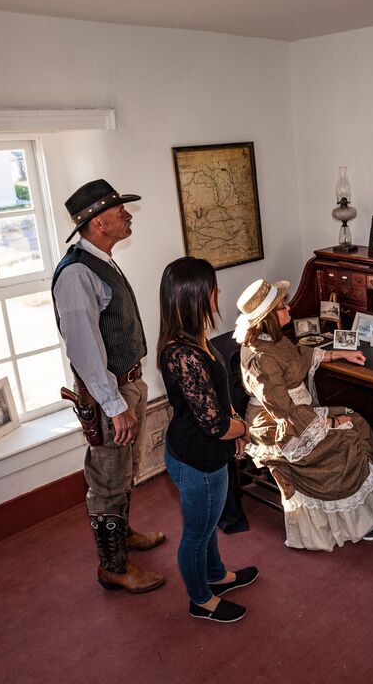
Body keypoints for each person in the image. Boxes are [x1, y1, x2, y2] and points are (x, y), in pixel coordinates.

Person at [52, 179, 166, 594]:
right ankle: (113, 566)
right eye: (121, 212)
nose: (128, 216)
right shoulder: (77, 273)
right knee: (107, 480)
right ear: (99, 222)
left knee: (123, 471)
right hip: (108, 396)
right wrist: (114, 406)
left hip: (124, 387)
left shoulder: (101, 260)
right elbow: (83, 348)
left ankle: (125, 534)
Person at [235, 279, 373, 551]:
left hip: (300, 413)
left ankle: (361, 514)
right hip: (277, 424)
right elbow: (283, 409)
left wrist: (341, 354)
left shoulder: (275, 340)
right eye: (283, 307)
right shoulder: (260, 357)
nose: (289, 309)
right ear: (269, 317)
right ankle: (354, 523)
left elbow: (299, 356)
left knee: (357, 421)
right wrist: (329, 422)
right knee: (343, 441)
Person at [157, 257, 258, 623]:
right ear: (196, 296)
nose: (219, 292)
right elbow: (214, 424)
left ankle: (216, 576)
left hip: (206, 451)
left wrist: (233, 427)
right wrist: (244, 430)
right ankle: (201, 599)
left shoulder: (192, 337)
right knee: (197, 534)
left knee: (209, 521)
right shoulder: (182, 354)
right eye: (213, 287)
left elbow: (216, 400)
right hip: (197, 459)